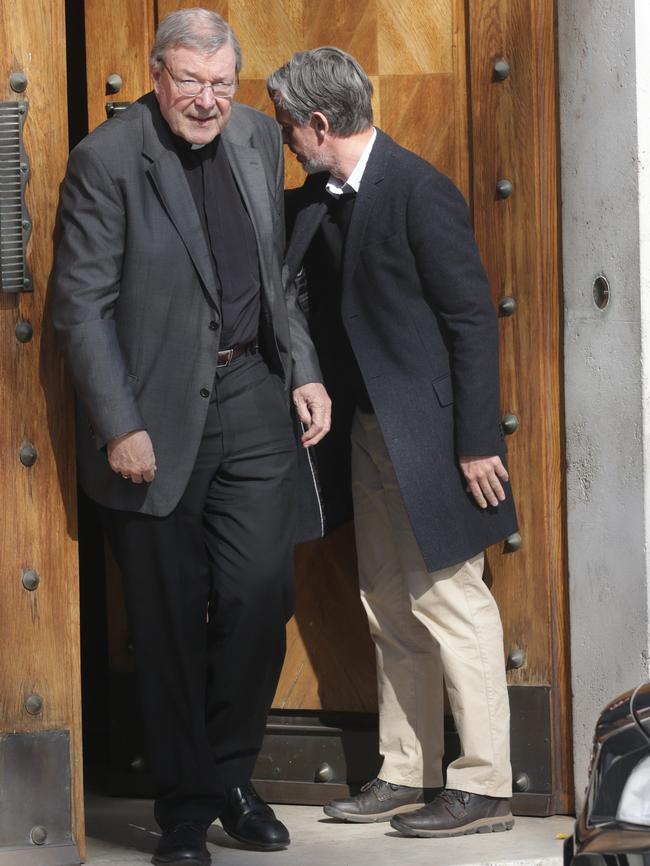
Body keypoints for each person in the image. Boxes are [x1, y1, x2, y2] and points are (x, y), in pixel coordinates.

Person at [51, 10, 330, 866]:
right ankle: (184, 809)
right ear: (157, 74)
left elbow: (276, 274)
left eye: (221, 83)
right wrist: (120, 423)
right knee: (168, 619)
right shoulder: (107, 159)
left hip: (250, 390)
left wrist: (305, 366)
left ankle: (231, 777)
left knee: (258, 596)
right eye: (189, 82)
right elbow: (81, 306)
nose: (207, 101)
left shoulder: (253, 134)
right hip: (155, 415)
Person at [267, 47, 518, 839]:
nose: (284, 142)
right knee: (387, 602)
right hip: (369, 432)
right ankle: (406, 770)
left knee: (451, 599)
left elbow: (471, 322)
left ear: (318, 123)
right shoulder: (316, 198)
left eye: (286, 128)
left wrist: (477, 442)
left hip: (437, 439)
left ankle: (484, 786)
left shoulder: (418, 189)